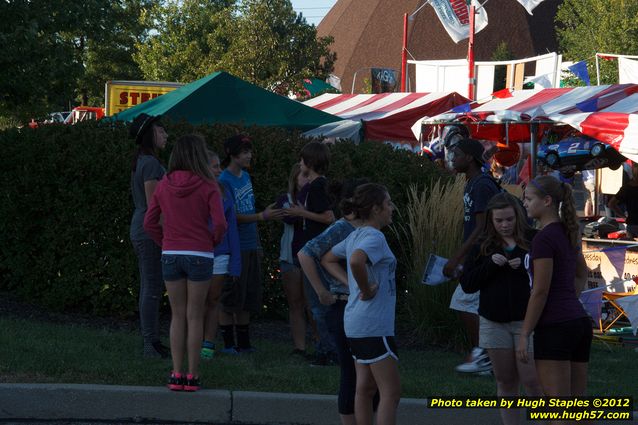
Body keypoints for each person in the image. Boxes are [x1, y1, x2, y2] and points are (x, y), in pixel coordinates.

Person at [144, 134, 227, 392]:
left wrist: (165, 241)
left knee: (177, 314)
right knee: (195, 315)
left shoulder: (164, 184)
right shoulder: (209, 185)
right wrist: (210, 241)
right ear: (198, 155)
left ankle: (176, 373)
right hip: (200, 253)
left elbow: (149, 222)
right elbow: (221, 223)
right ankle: (192, 375)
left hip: (171, 252)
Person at [460, 192, 542, 425]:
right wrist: (489, 265)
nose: (505, 225)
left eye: (509, 219)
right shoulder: (482, 246)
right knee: (505, 380)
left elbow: (545, 277)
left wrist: (525, 263)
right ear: (491, 221)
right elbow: (467, 284)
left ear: (518, 217)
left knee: (532, 380)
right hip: (493, 321)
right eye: (499, 221)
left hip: (526, 320)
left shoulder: (532, 240)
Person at [322, 183, 400, 425]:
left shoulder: (354, 235)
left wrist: (352, 285)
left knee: (364, 388)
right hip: (374, 325)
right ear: (376, 209)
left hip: (355, 323)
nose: (392, 208)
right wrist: (364, 288)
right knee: (391, 392)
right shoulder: (375, 236)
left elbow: (328, 259)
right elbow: (356, 261)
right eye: (388, 204)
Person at [298, 178, 372, 425]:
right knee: (351, 372)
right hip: (343, 306)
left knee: (369, 374)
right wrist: (321, 290)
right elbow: (306, 253)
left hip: (363, 306)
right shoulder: (342, 228)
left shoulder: (367, 229)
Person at [518, 176, 591, 404]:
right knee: (576, 405)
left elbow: (540, 290)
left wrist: (524, 333)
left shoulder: (544, 238)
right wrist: (570, 299)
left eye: (529, 199)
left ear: (547, 200)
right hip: (577, 321)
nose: (525, 203)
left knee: (558, 406)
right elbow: (582, 273)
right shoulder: (567, 232)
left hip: (555, 326)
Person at [218, 134, 286, 354]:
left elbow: (248, 208)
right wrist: (261, 217)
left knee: (248, 296)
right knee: (231, 296)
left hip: (250, 243)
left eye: (250, 151)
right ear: (232, 154)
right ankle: (229, 343)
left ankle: (244, 343)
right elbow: (230, 216)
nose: (249, 155)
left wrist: (263, 214)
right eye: (245, 151)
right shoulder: (223, 181)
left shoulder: (245, 176)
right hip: (234, 245)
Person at [443, 138, 501, 374]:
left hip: (483, 256)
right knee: (469, 304)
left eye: (456, 154)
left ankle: (484, 354)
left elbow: (481, 226)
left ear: (469, 157)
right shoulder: (472, 183)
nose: (452, 159)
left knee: (463, 302)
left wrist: (458, 258)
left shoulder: (481, 184)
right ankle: (485, 353)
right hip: (477, 256)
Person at [286, 141, 336, 365]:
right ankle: (327, 347)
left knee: (318, 303)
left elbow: (328, 217)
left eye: (302, 159)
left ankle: (327, 350)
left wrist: (301, 212)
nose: (299, 163)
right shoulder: (318, 185)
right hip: (315, 249)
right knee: (317, 303)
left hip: (315, 251)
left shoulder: (317, 186)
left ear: (309, 162)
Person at [129, 113, 169, 358]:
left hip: (142, 227)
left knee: (151, 285)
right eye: (161, 131)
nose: (166, 135)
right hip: (148, 230)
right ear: (149, 135)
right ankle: (149, 343)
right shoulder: (151, 164)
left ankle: (152, 340)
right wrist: (166, 235)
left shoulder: (143, 161)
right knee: (152, 286)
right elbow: (156, 206)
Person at [200, 151, 241, 360]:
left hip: (220, 253)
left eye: (218, 166)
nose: (218, 170)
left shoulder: (224, 190)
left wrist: (235, 262)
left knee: (213, 299)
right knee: (198, 300)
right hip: (199, 251)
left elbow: (231, 227)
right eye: (214, 166)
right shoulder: (195, 190)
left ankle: (208, 341)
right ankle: (195, 339)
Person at [277, 163, 310, 355]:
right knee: (295, 302)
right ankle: (299, 346)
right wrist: (306, 212)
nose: (306, 179)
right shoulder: (285, 199)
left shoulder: (318, 199)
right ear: (295, 178)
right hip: (290, 256)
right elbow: (289, 217)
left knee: (313, 303)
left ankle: (321, 343)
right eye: (303, 175)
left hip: (311, 257)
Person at [608, 161, 638, 239]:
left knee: (630, 248)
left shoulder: (627, 187)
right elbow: (611, 204)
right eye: (636, 166)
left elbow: (611, 204)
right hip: (632, 225)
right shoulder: (627, 187)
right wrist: (624, 217)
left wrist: (624, 217)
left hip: (631, 225)